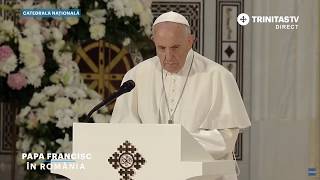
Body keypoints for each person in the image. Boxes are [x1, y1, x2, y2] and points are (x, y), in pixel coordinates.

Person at [110, 11, 251, 179]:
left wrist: (174, 143)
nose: (168, 56)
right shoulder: (136, 76)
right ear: (153, 41)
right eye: (161, 48)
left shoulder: (218, 76)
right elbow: (123, 129)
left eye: (175, 47)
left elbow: (224, 139)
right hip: (150, 173)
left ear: (190, 41)